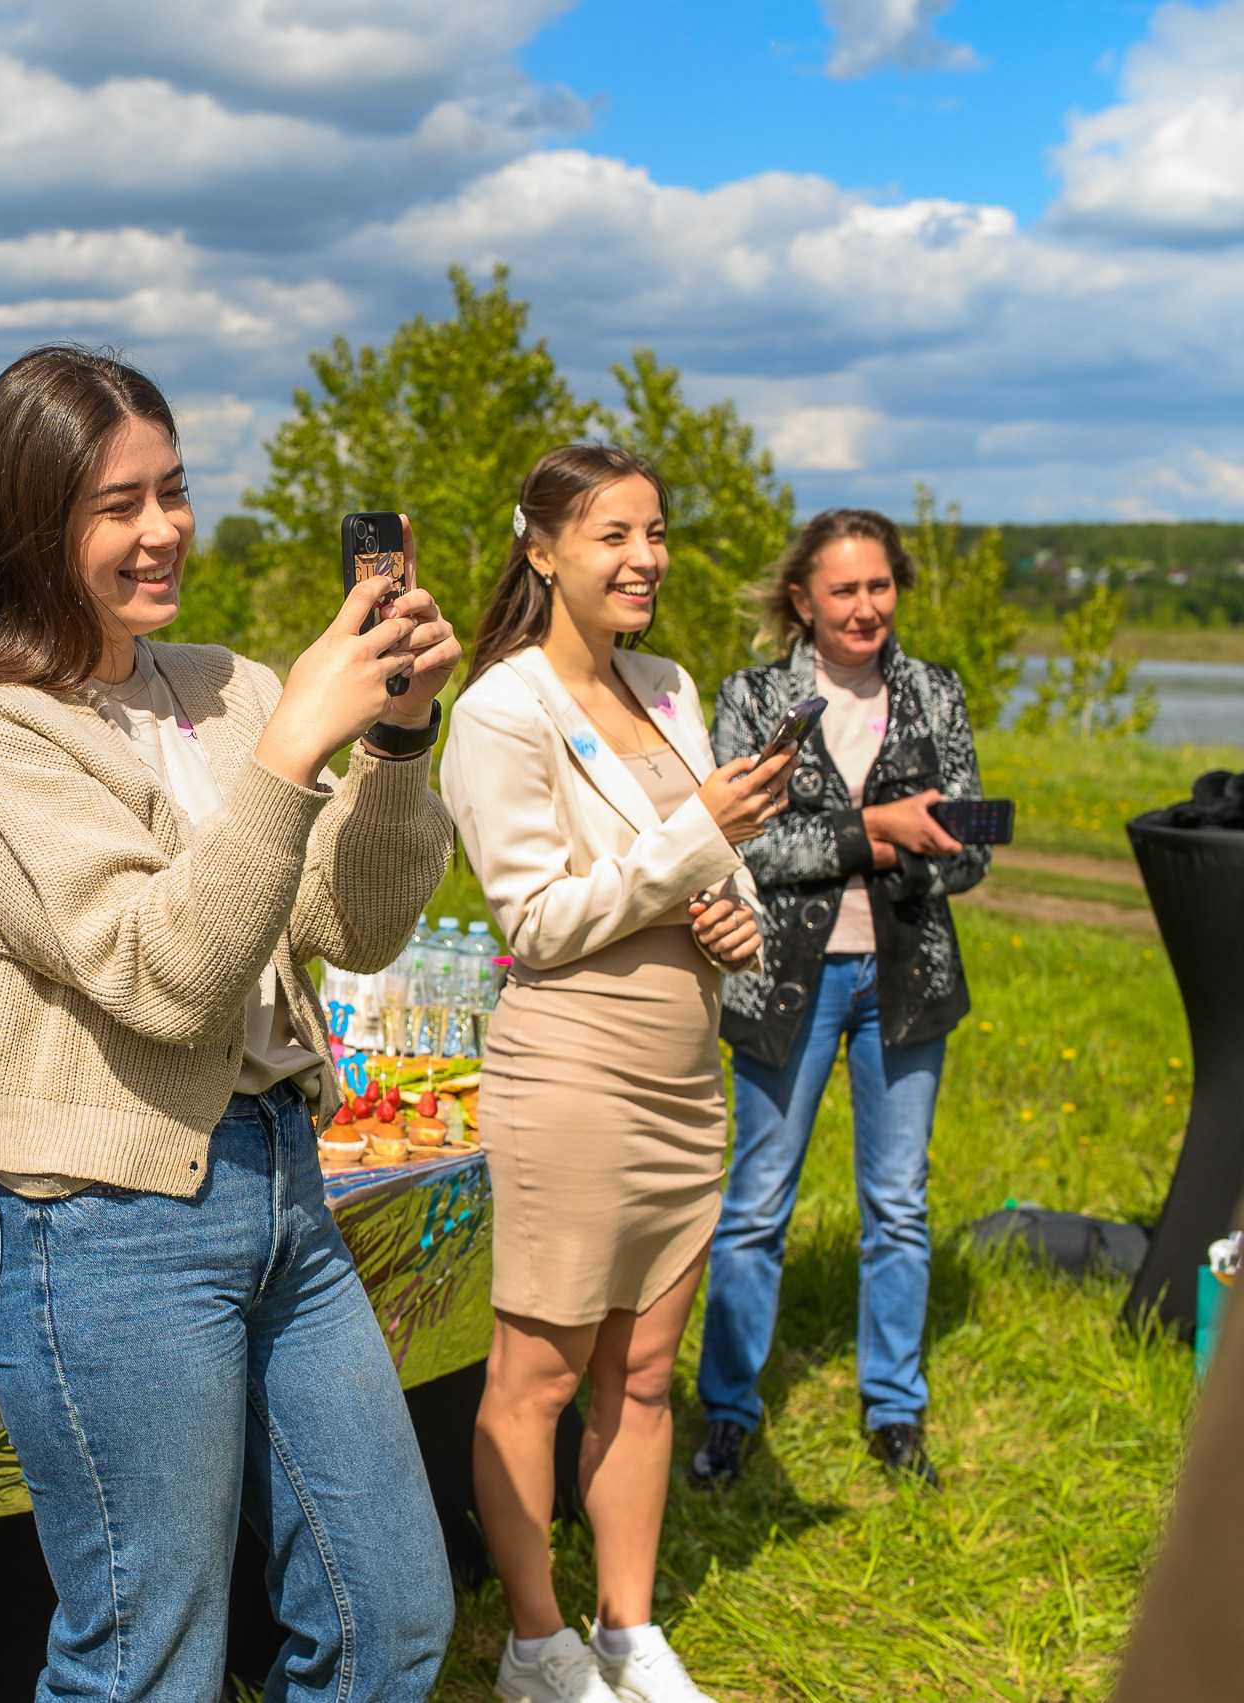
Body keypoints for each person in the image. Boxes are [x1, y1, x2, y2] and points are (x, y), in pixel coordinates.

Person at [0, 344, 459, 1703]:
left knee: (390, 1614)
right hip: (107, 1225)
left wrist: (396, 740)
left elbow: (355, 923)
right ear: (32, 522)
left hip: (281, 1186)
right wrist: (292, 749)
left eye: (173, 490)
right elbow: (167, 970)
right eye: (117, 503)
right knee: (151, 1660)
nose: (162, 528)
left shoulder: (226, 684)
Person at [442, 445, 789, 1703]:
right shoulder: (500, 709)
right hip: (574, 1078)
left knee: (643, 1376)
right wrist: (702, 839)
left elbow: (711, 865)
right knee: (536, 1378)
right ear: (540, 550)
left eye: (655, 532)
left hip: (685, 1079)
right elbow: (534, 919)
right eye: (613, 535)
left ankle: (628, 1631)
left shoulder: (668, 683)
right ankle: (536, 1645)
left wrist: (739, 910)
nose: (645, 558)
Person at [690, 508, 990, 1492]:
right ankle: (727, 1409)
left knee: (898, 1205)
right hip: (787, 983)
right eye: (844, 589)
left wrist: (923, 844)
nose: (865, 607)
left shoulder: (934, 692)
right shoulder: (751, 699)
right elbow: (744, 845)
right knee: (755, 1204)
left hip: (906, 979)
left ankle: (895, 1408)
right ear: (802, 599)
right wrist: (878, 828)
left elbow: (973, 851)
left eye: (879, 585)